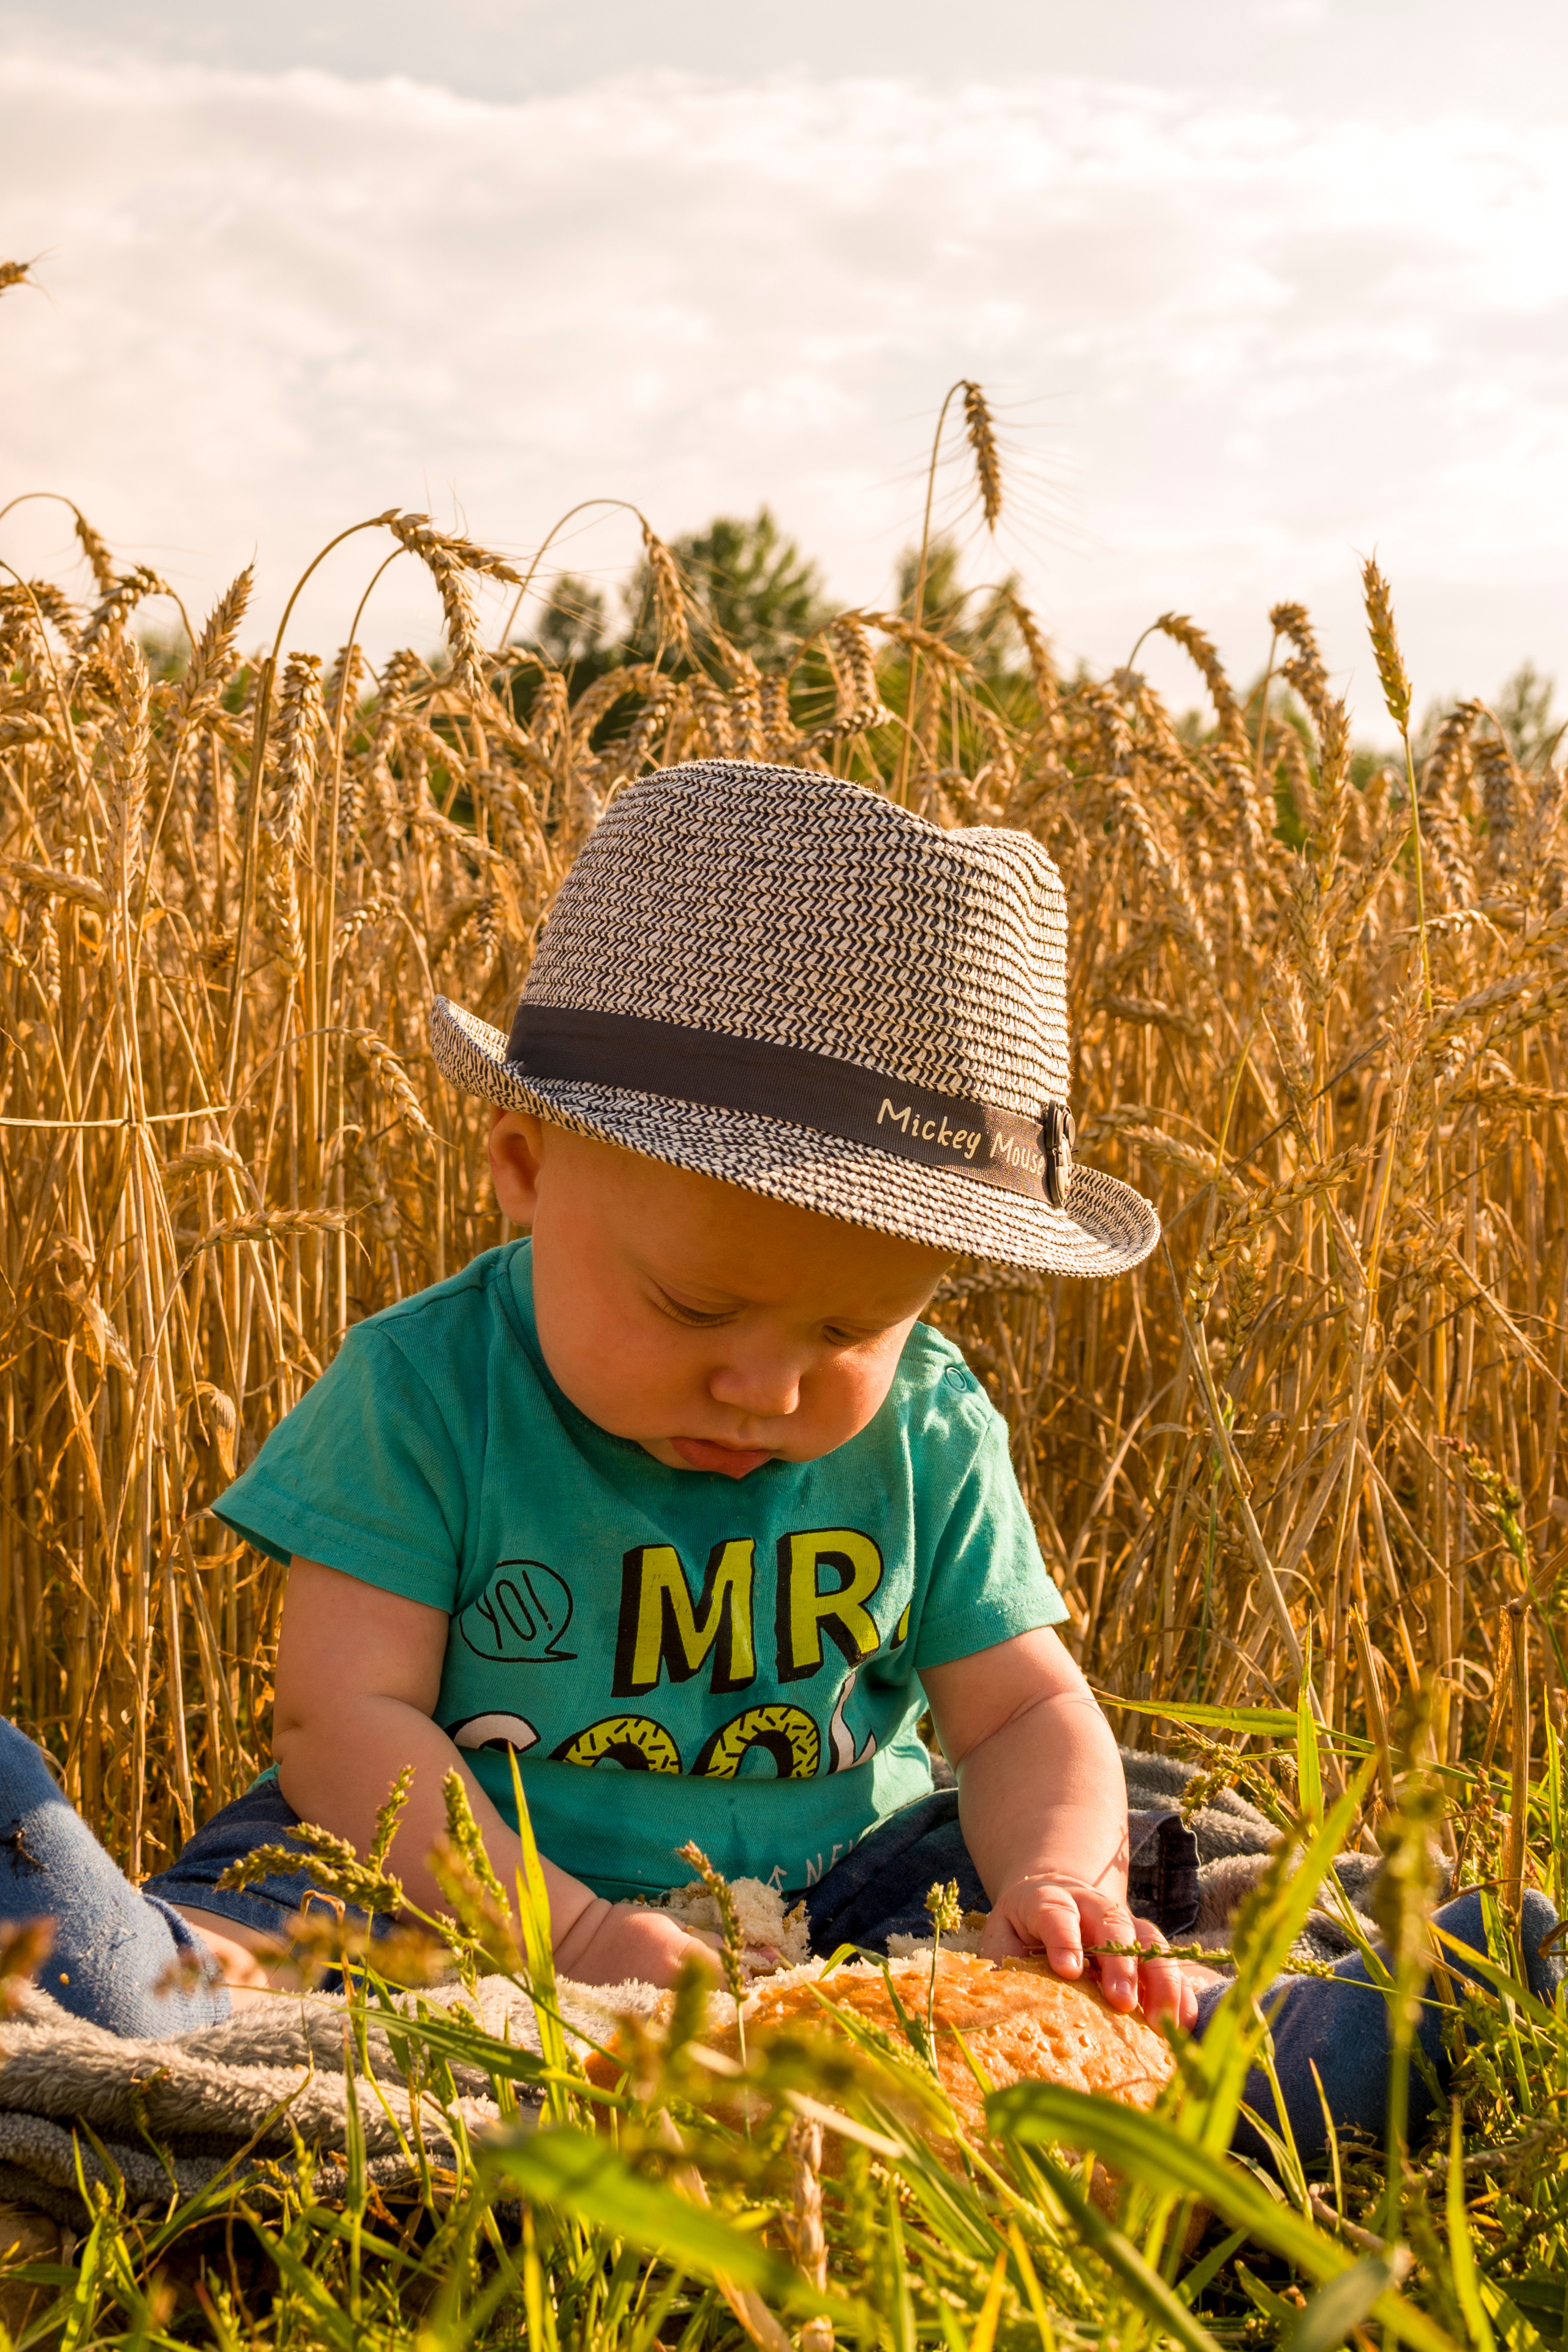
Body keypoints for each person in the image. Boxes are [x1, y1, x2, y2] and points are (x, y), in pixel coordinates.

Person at [0, 760, 1555, 2169]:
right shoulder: (424, 1391)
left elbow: (1021, 1707)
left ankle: (1439, 1989)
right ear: (525, 1171)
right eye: (691, 1307)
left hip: (837, 1896)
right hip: (441, 1885)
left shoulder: (929, 1422)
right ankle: (64, 1897)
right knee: (219, 2007)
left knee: (1093, 1995)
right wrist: (584, 1935)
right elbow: (344, 1724)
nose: (762, 1387)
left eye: (847, 1328)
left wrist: (1058, 1882)